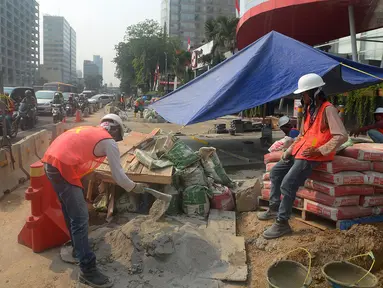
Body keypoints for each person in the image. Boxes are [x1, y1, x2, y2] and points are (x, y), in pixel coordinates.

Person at [42, 114, 147, 288]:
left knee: (71, 212)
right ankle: (87, 270)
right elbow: (119, 176)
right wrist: (134, 187)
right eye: (117, 135)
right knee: (81, 218)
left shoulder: (91, 131)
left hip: (50, 163)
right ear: (115, 130)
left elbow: (77, 151)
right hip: (63, 167)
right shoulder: (108, 141)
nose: (116, 139)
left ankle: (77, 250)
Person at [258, 73, 348, 239]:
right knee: (276, 172)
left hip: (312, 156)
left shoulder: (328, 109)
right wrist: (289, 151)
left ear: (313, 93)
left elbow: (341, 135)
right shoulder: (310, 110)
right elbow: (302, 135)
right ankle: (274, 208)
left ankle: (282, 223)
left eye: (303, 94)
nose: (302, 97)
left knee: (288, 184)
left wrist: (320, 150)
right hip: (300, 152)